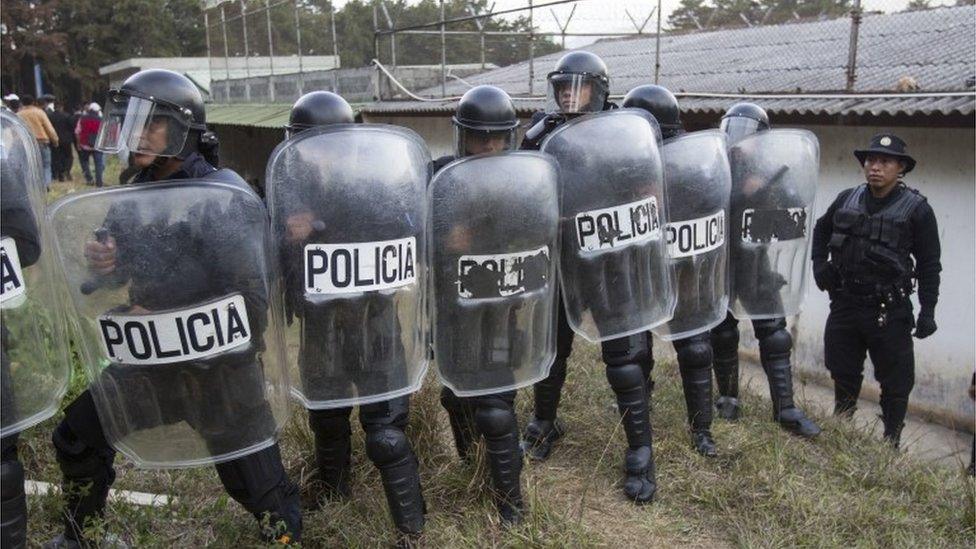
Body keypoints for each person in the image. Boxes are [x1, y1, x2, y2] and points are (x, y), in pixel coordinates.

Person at [43, 69, 301, 548]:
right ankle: (82, 537)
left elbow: (252, 305)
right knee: (75, 438)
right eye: (130, 120)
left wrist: (169, 325)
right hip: (152, 369)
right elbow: (116, 271)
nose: (135, 133)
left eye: (150, 123)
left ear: (183, 130)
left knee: (263, 497)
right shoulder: (134, 193)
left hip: (220, 374)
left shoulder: (222, 197)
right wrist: (105, 265)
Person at [270, 91, 428, 543]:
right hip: (320, 326)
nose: (317, 155)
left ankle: (411, 522)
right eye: (307, 145)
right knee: (327, 415)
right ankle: (334, 490)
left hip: (373, 323)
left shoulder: (375, 182)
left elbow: (409, 228)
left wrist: (327, 225)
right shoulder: (287, 188)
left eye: (325, 144)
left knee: (386, 431)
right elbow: (270, 259)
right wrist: (289, 235)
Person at [520, 51, 658, 504]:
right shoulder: (543, 132)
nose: (567, 93)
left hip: (607, 259)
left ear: (597, 90)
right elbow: (520, 187)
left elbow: (645, 188)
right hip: (559, 259)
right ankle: (544, 423)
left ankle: (640, 450)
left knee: (622, 359)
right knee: (550, 348)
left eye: (576, 86)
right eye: (561, 86)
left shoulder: (624, 133)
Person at [433, 85, 532, 523]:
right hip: (452, 312)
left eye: (498, 137)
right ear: (462, 136)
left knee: (495, 406)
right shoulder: (437, 177)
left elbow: (539, 236)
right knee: (456, 396)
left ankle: (510, 500)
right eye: (480, 137)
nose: (490, 145)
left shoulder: (523, 181)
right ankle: (474, 467)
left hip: (499, 311)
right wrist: (444, 237)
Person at [811, 132, 941, 448]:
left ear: (901, 169)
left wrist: (928, 311)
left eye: (885, 161)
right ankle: (842, 425)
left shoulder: (918, 210)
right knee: (842, 369)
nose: (875, 167)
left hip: (889, 310)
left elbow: (929, 264)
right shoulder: (847, 198)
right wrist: (819, 264)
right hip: (846, 303)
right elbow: (821, 230)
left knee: (896, 382)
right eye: (871, 160)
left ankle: (890, 442)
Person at [707, 103, 821, 439]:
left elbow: (795, 204)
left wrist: (766, 188)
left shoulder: (773, 167)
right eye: (734, 126)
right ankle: (728, 397)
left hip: (757, 262)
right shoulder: (715, 164)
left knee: (774, 333)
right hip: (723, 262)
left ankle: (785, 407)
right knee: (722, 332)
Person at [623, 84, 725, 457]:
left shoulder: (693, 161)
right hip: (638, 267)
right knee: (634, 352)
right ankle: (640, 413)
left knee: (696, 348)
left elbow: (710, 206)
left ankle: (702, 429)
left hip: (683, 264)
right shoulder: (623, 160)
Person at [16, 95, 58, 188]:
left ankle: (29, 185)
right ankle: (46, 184)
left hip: (25, 142)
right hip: (42, 141)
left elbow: (15, 131)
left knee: (27, 165)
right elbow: (49, 129)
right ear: (33, 102)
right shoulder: (39, 112)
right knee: (45, 165)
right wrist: (55, 140)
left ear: (22, 103)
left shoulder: (18, 114)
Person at [75, 103, 105, 186]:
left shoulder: (82, 119)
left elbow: (77, 132)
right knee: (98, 164)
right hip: (98, 146)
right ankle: (99, 183)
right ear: (97, 111)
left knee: (84, 162)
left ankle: (89, 179)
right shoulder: (101, 119)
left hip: (85, 145)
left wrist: (78, 144)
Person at [49, 98, 76, 182]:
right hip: (66, 140)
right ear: (61, 107)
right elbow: (72, 127)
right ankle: (67, 171)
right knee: (68, 156)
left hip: (54, 140)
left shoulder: (50, 116)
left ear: (54, 107)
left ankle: (60, 174)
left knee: (57, 157)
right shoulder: (67, 116)